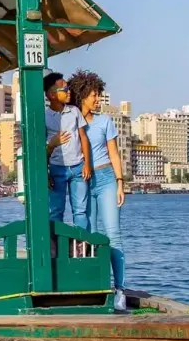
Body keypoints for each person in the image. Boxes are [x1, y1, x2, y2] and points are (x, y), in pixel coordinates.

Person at [69, 69, 128, 310]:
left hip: (105, 178)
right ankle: (95, 285)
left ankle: (120, 289)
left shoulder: (105, 121)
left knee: (112, 234)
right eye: (94, 94)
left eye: (99, 94)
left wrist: (120, 182)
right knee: (89, 236)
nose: (98, 99)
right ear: (82, 95)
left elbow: (114, 153)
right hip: (82, 180)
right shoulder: (70, 121)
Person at [44, 72, 91, 228]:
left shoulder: (74, 111)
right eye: (64, 89)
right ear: (51, 95)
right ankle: (56, 248)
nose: (68, 91)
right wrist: (53, 144)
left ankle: (82, 246)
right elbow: (41, 149)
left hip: (78, 167)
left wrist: (87, 164)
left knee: (80, 211)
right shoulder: (44, 117)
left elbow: (83, 137)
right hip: (56, 169)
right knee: (56, 211)